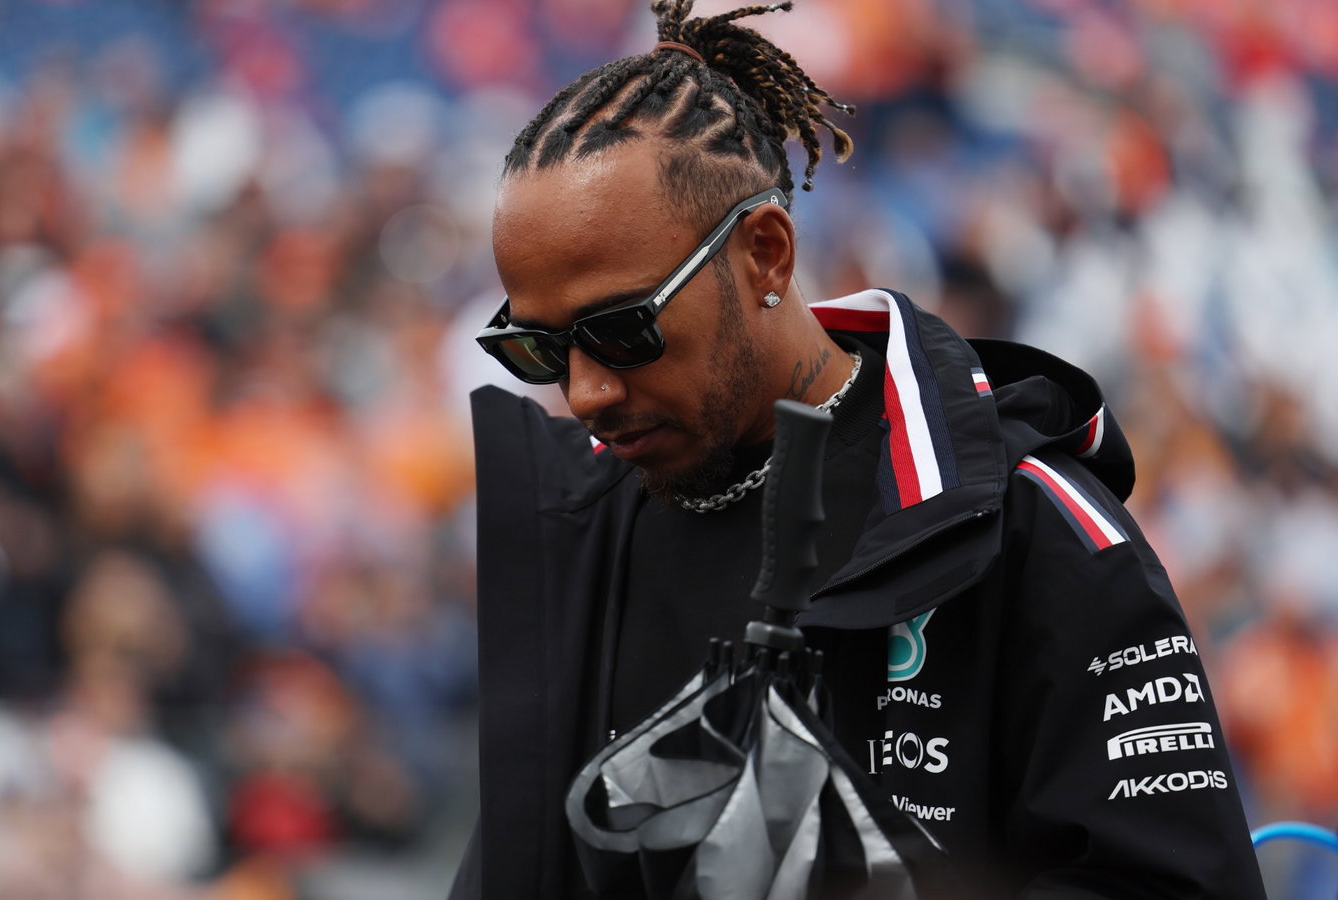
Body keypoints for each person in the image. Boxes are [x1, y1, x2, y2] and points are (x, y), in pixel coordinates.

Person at [451, 1, 1265, 897]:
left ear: (765, 253)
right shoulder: (573, 535)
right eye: (534, 349)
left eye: (623, 330)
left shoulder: (1026, 520)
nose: (585, 391)